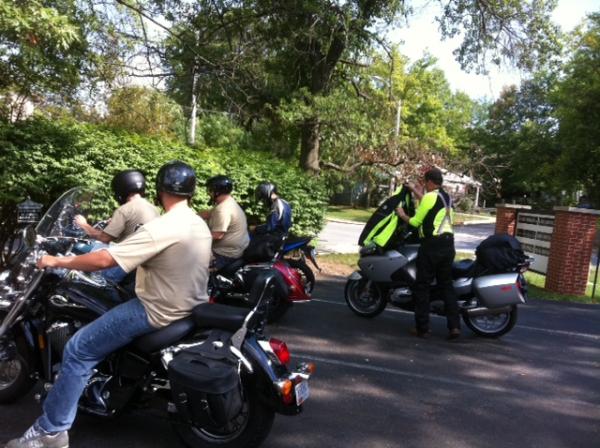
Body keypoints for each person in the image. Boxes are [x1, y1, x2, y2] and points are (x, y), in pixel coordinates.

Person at [6, 161, 212, 448]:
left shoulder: (164, 226)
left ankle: (50, 432)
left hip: (155, 309)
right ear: (191, 192)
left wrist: (57, 261)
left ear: (160, 189)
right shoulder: (196, 222)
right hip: (187, 303)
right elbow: (118, 250)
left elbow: (105, 259)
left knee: (79, 349)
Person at [396, 167, 460, 340]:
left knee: (422, 286)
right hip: (448, 245)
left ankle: (422, 328)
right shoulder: (446, 197)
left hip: (432, 246)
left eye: (424, 183)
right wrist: (415, 191)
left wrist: (402, 214)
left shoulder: (430, 196)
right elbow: (429, 204)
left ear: (430, 182)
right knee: (446, 286)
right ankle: (454, 327)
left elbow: (416, 222)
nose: (424, 185)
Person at [73, 170, 159, 283]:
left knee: (81, 265)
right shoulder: (154, 209)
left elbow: (105, 238)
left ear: (121, 189)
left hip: (122, 262)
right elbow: (134, 231)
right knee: (84, 248)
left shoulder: (125, 209)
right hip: (141, 262)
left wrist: (84, 225)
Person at [200, 175, 250, 270]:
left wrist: (194, 236)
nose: (209, 193)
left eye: (210, 190)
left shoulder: (223, 209)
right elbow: (208, 213)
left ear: (216, 191)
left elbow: (217, 235)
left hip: (225, 254)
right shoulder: (228, 202)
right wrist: (192, 216)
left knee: (192, 265)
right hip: (237, 249)